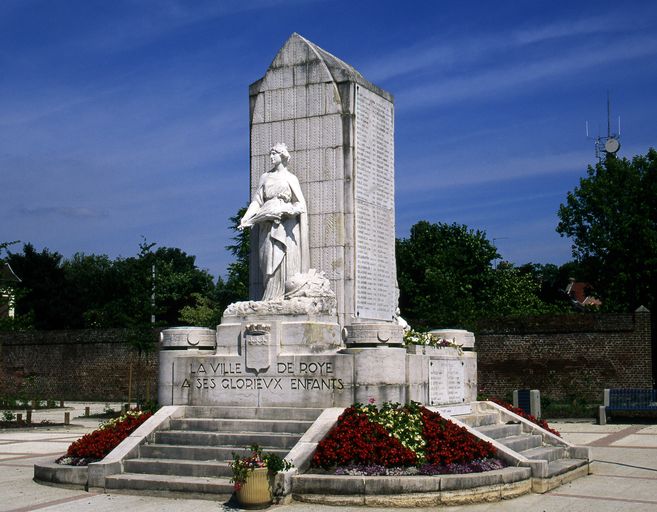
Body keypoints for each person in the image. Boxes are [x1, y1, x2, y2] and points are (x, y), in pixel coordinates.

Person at [239, 143, 309, 300]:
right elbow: (257, 201)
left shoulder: (290, 178)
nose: (271, 157)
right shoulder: (265, 177)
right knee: (266, 263)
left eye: (274, 154)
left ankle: (280, 298)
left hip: (284, 226)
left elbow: (301, 205)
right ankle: (269, 297)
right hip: (266, 224)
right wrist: (246, 218)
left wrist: (286, 210)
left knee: (281, 260)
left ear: (282, 155)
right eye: (270, 154)